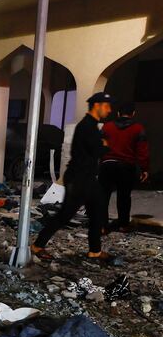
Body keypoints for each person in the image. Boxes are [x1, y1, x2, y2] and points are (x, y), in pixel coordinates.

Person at [32, 93, 113, 260]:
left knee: (97, 212)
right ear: (97, 105)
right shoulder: (86, 126)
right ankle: (37, 245)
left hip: (88, 178)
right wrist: (104, 146)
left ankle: (95, 251)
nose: (109, 110)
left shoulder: (92, 126)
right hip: (79, 178)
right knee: (65, 214)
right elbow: (97, 150)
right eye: (106, 106)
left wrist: (102, 146)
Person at [100, 102, 149, 232]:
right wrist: (144, 169)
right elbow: (142, 150)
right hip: (126, 166)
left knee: (103, 196)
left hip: (107, 164)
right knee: (124, 196)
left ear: (118, 113)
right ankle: (123, 225)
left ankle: (102, 226)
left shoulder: (107, 127)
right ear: (133, 114)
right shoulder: (138, 128)